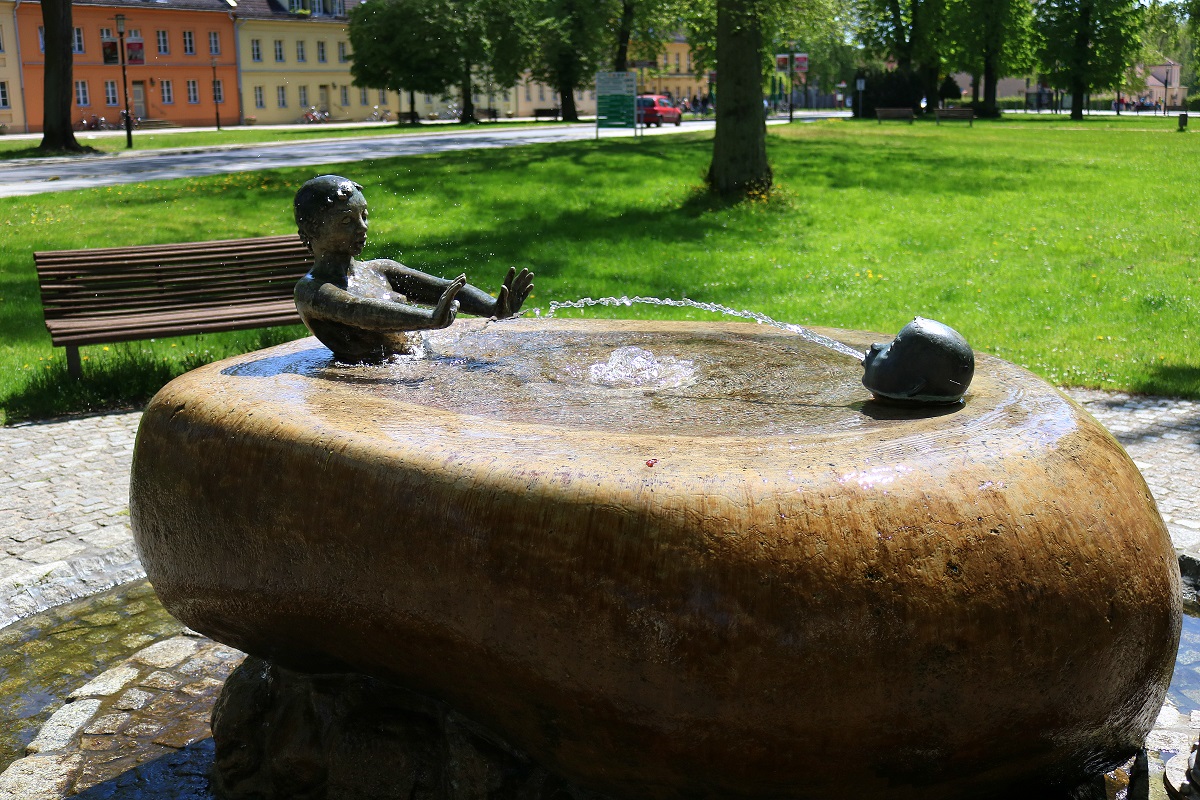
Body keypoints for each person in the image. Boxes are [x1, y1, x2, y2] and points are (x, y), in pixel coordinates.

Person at [293, 175, 533, 363]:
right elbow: (356, 310)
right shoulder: (310, 290)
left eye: (364, 216)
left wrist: (492, 308)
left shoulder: (381, 269)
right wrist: (429, 319)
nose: (362, 227)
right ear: (311, 232)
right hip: (371, 385)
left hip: (416, 367)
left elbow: (444, 288)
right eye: (346, 221)